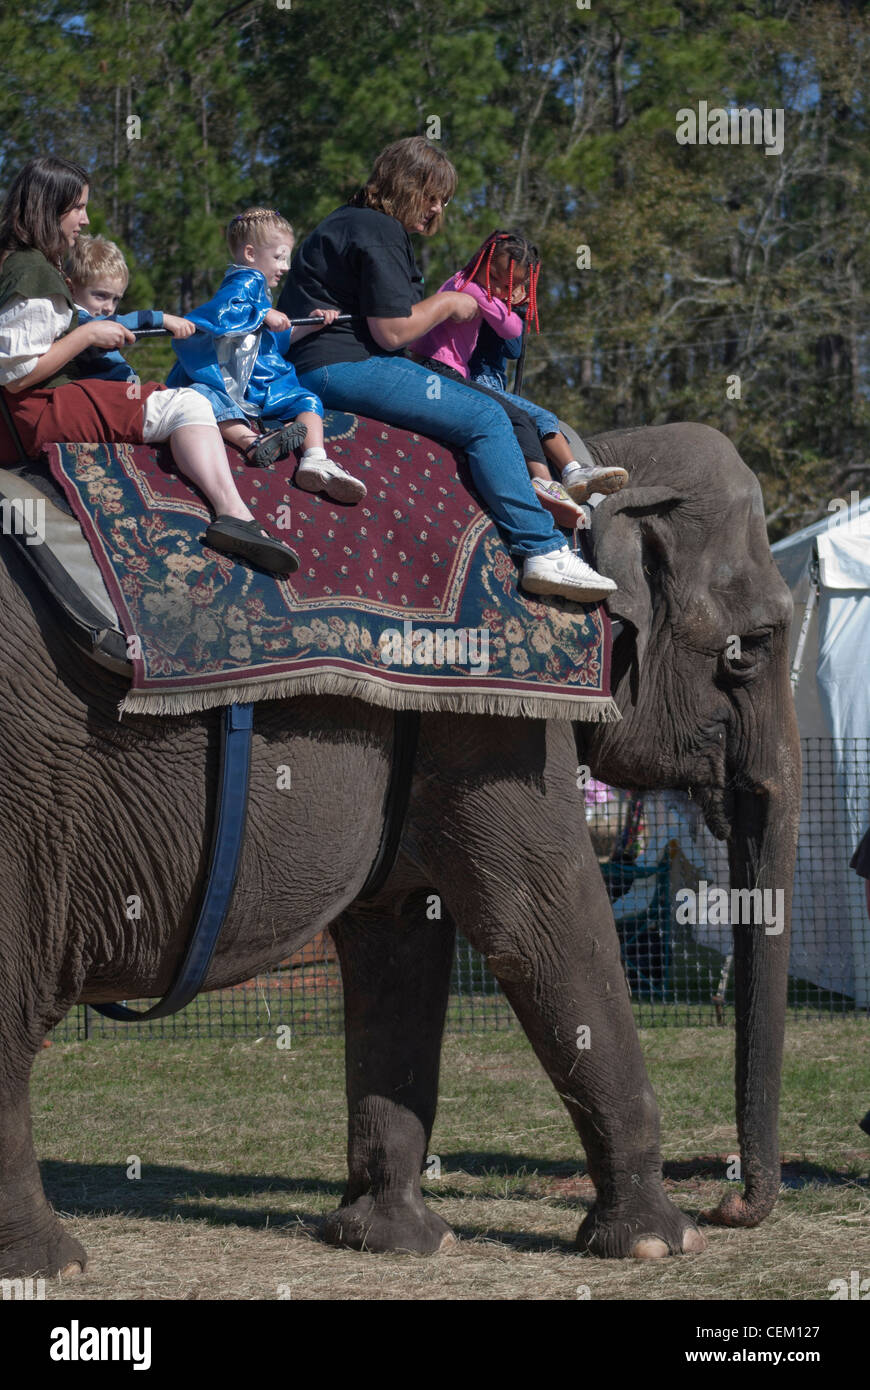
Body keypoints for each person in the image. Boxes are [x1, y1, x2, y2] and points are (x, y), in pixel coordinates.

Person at [278, 136, 617, 603]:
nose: (437, 211)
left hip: (317, 364)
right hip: (343, 365)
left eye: (443, 201)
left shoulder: (343, 221)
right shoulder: (380, 230)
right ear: (403, 184)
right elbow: (393, 333)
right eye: (431, 196)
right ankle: (542, 549)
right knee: (487, 417)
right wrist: (447, 303)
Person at [0, 157, 298, 575]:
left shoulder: (20, 262)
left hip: (36, 405)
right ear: (50, 207)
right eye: (78, 207)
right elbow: (16, 378)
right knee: (189, 404)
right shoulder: (31, 270)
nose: (85, 220)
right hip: (38, 407)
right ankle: (234, 515)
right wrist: (86, 335)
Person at [409, 229, 628, 529]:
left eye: (507, 283)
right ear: (485, 262)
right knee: (525, 418)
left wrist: (516, 304)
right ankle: (551, 482)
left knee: (527, 417)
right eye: (498, 280)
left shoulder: (470, 284)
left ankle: (564, 475)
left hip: (451, 370)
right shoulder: (473, 289)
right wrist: (514, 306)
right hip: (448, 371)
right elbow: (511, 332)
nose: (500, 289)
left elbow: (513, 345)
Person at [168, 207, 365, 501]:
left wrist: (308, 325)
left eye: (286, 258)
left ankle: (315, 460)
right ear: (250, 253)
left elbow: (271, 339)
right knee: (213, 401)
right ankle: (304, 453)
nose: (285, 266)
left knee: (305, 398)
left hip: (259, 376)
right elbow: (223, 313)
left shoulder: (258, 289)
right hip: (238, 378)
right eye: (279, 257)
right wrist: (264, 312)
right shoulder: (245, 280)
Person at [65, 233, 197, 383]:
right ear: (71, 289)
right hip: (109, 392)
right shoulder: (74, 319)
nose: (109, 307)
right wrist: (162, 319)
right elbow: (119, 323)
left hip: (125, 390)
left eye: (115, 299)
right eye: (100, 296)